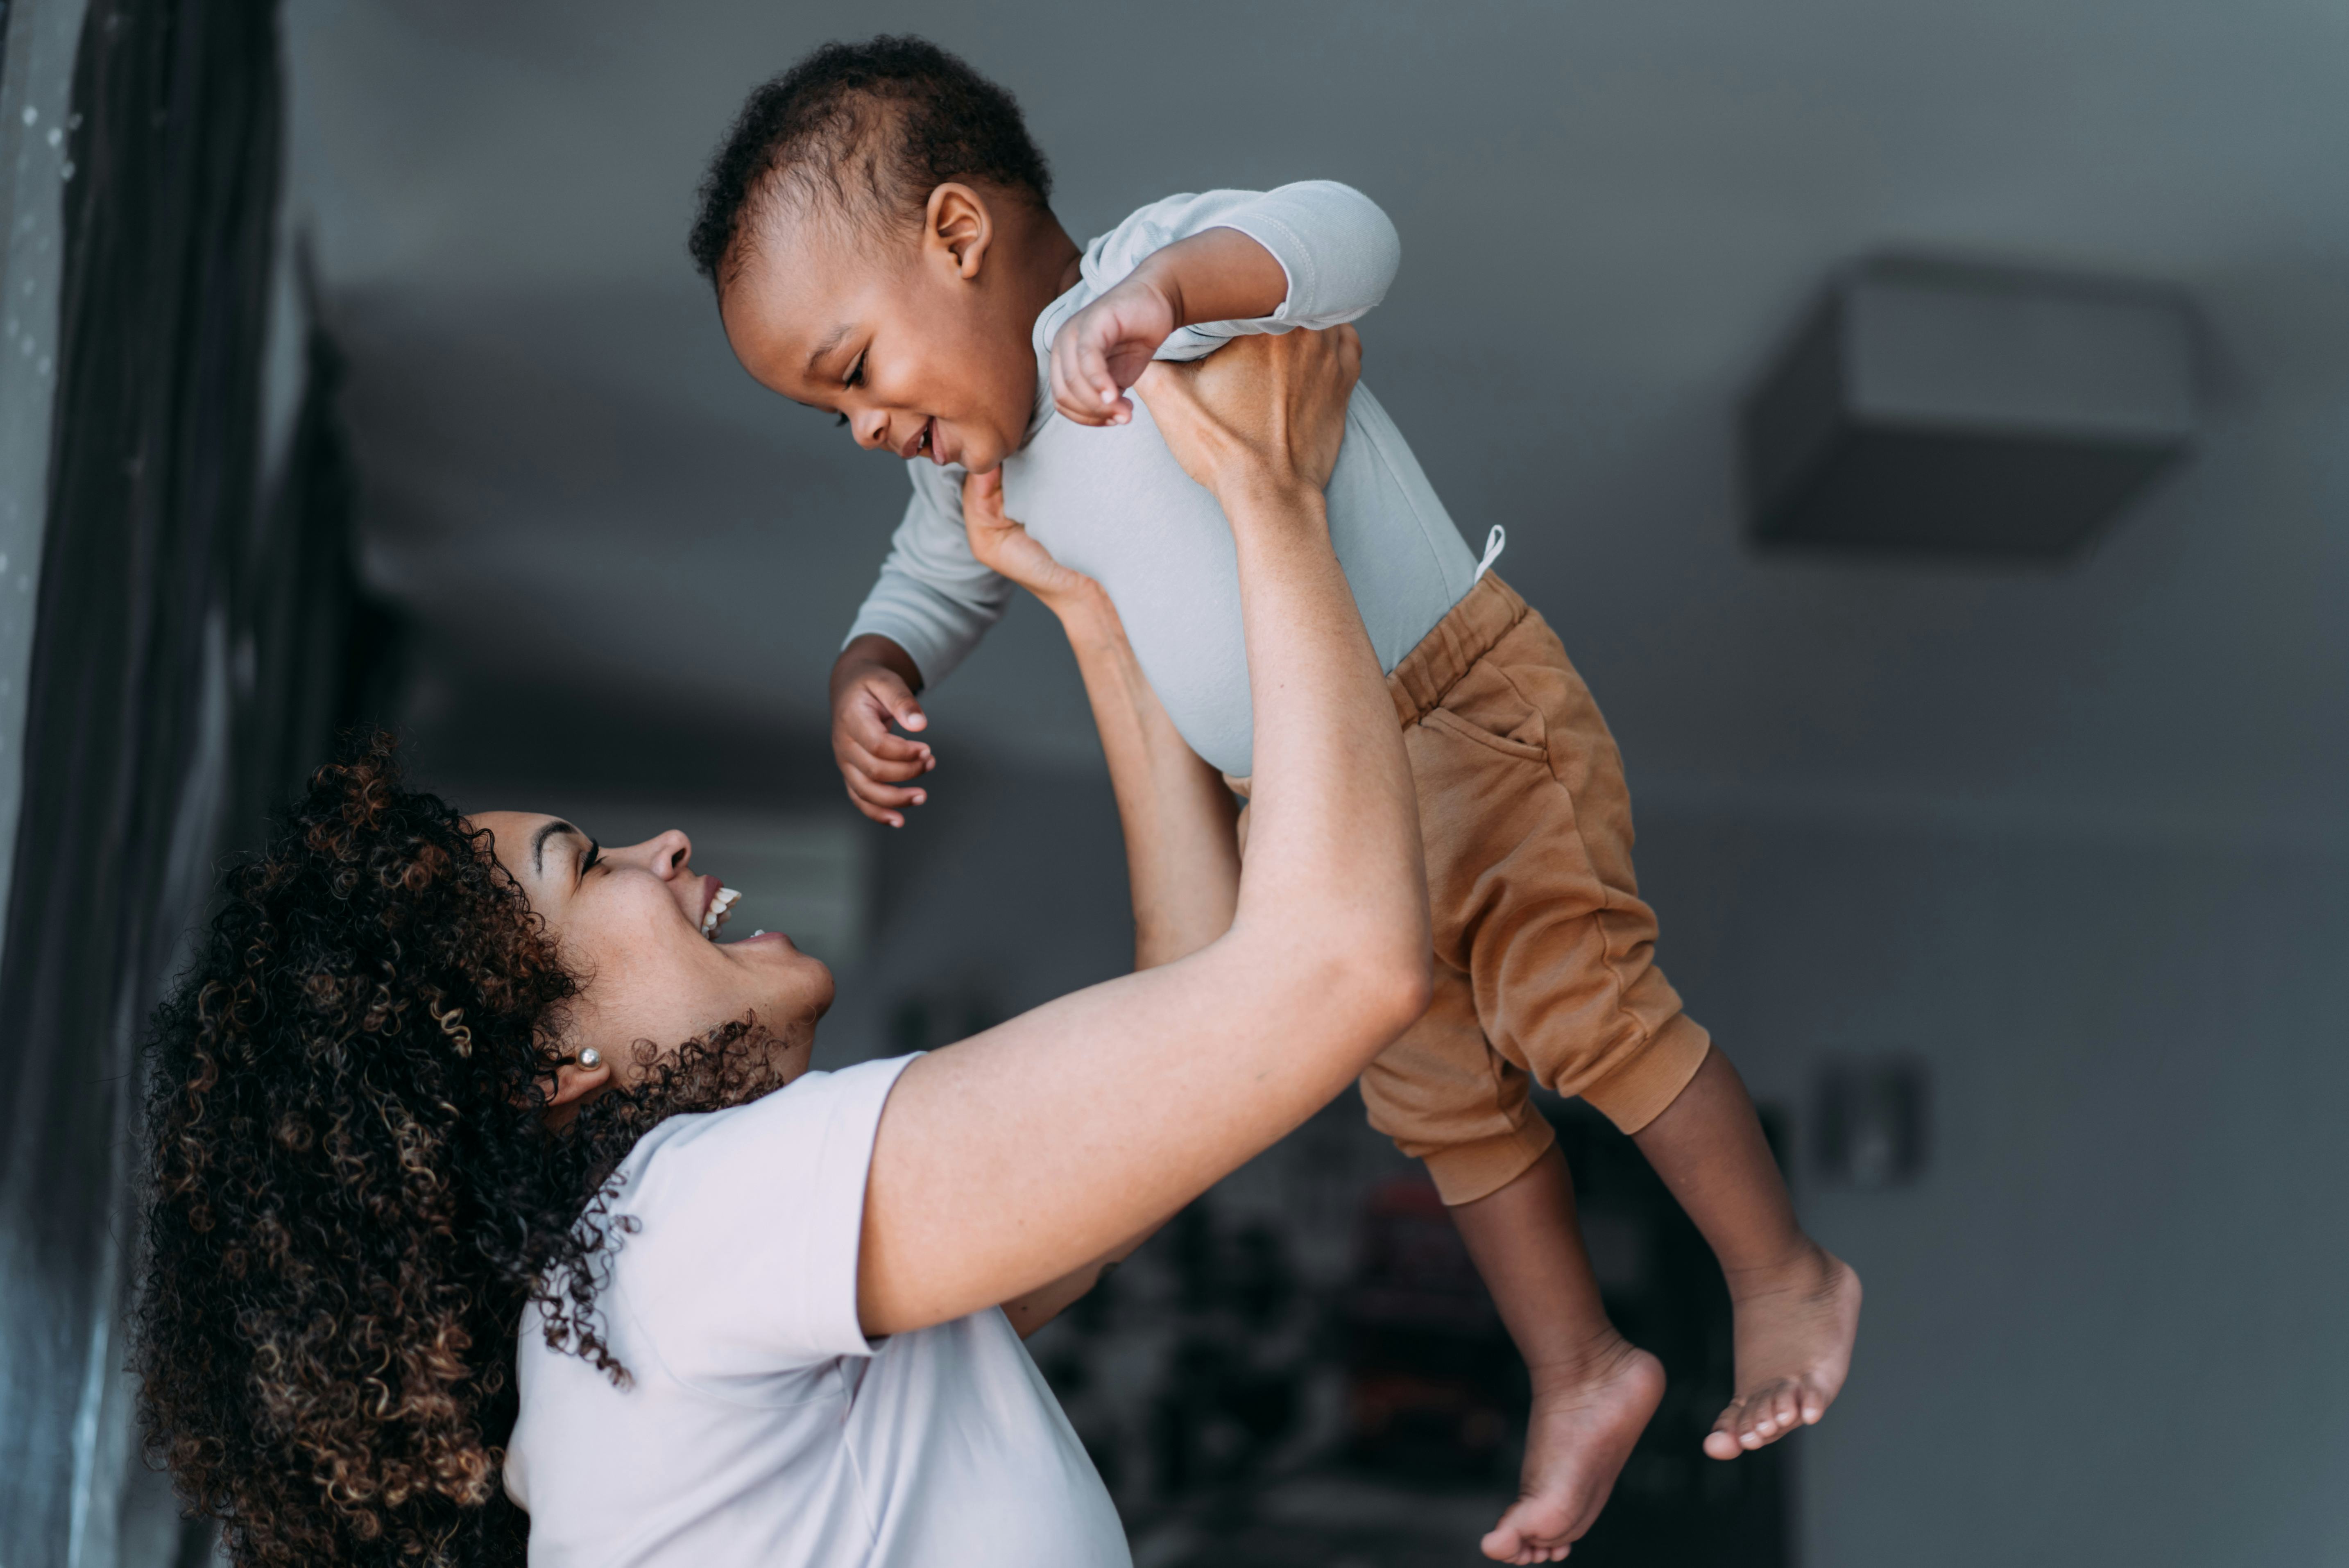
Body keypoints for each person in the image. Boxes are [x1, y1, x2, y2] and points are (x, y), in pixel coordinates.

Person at [689, 35, 1860, 1563]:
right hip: (1321, 811)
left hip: (1459, 710)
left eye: (851, 369)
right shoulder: (970, 481)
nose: (862, 427)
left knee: (1585, 1005)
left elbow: (1349, 233)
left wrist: (1175, 295)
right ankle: (1581, 1367)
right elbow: (927, 578)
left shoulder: (1148, 278)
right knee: (1435, 1100)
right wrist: (872, 661)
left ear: (958, 235)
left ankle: (1780, 1274)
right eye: (823, 411)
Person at [134, 328, 1427, 1568]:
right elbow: (1334, 970)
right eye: (584, 868)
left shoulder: (643, 1331)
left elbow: (1189, 1043)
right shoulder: (679, 1238)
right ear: (552, 1067)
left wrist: (1090, 611)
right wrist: (1274, 490)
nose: (668, 846)